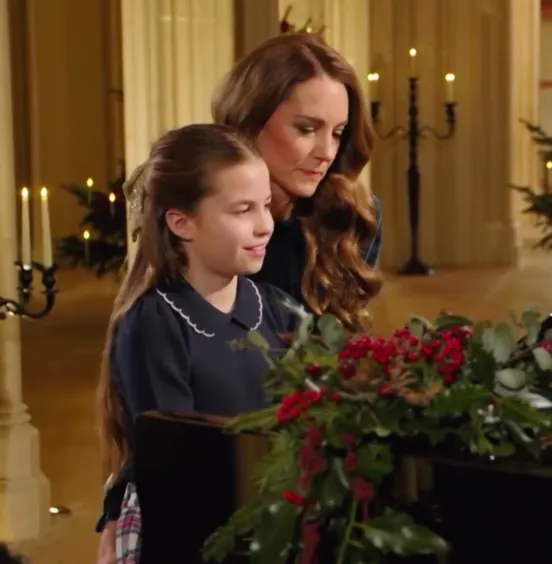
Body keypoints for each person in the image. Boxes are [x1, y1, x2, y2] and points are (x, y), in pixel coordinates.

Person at [94, 124, 298, 563]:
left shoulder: (281, 311)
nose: (265, 225)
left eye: (265, 205)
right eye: (242, 210)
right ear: (181, 222)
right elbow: (174, 471)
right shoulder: (155, 327)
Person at [125, 32, 383, 332]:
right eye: (306, 129)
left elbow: (341, 358)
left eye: (338, 133)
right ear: (250, 117)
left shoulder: (352, 215)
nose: (326, 153)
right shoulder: (190, 200)